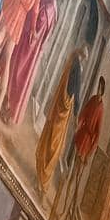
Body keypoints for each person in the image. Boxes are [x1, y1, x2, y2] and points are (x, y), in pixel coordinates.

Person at [4, 0, 58, 126]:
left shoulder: (50, 3)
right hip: (32, 46)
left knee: (18, 74)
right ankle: (7, 105)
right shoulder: (51, 1)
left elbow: (40, 24)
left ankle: (9, 109)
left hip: (29, 45)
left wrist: (27, 19)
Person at [56, 74, 106, 217]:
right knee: (70, 173)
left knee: (76, 178)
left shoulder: (101, 108)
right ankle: (62, 208)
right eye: (98, 87)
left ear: (103, 90)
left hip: (87, 143)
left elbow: (97, 133)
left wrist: (89, 154)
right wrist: (77, 123)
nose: (98, 89)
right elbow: (83, 114)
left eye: (101, 88)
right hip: (80, 137)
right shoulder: (92, 100)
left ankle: (66, 212)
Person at [36, 47, 85, 190]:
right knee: (55, 145)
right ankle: (43, 180)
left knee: (51, 139)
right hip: (63, 109)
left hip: (59, 105)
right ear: (82, 55)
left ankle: (41, 175)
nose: (84, 59)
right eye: (84, 56)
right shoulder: (77, 66)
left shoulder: (71, 60)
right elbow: (76, 91)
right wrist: (76, 113)